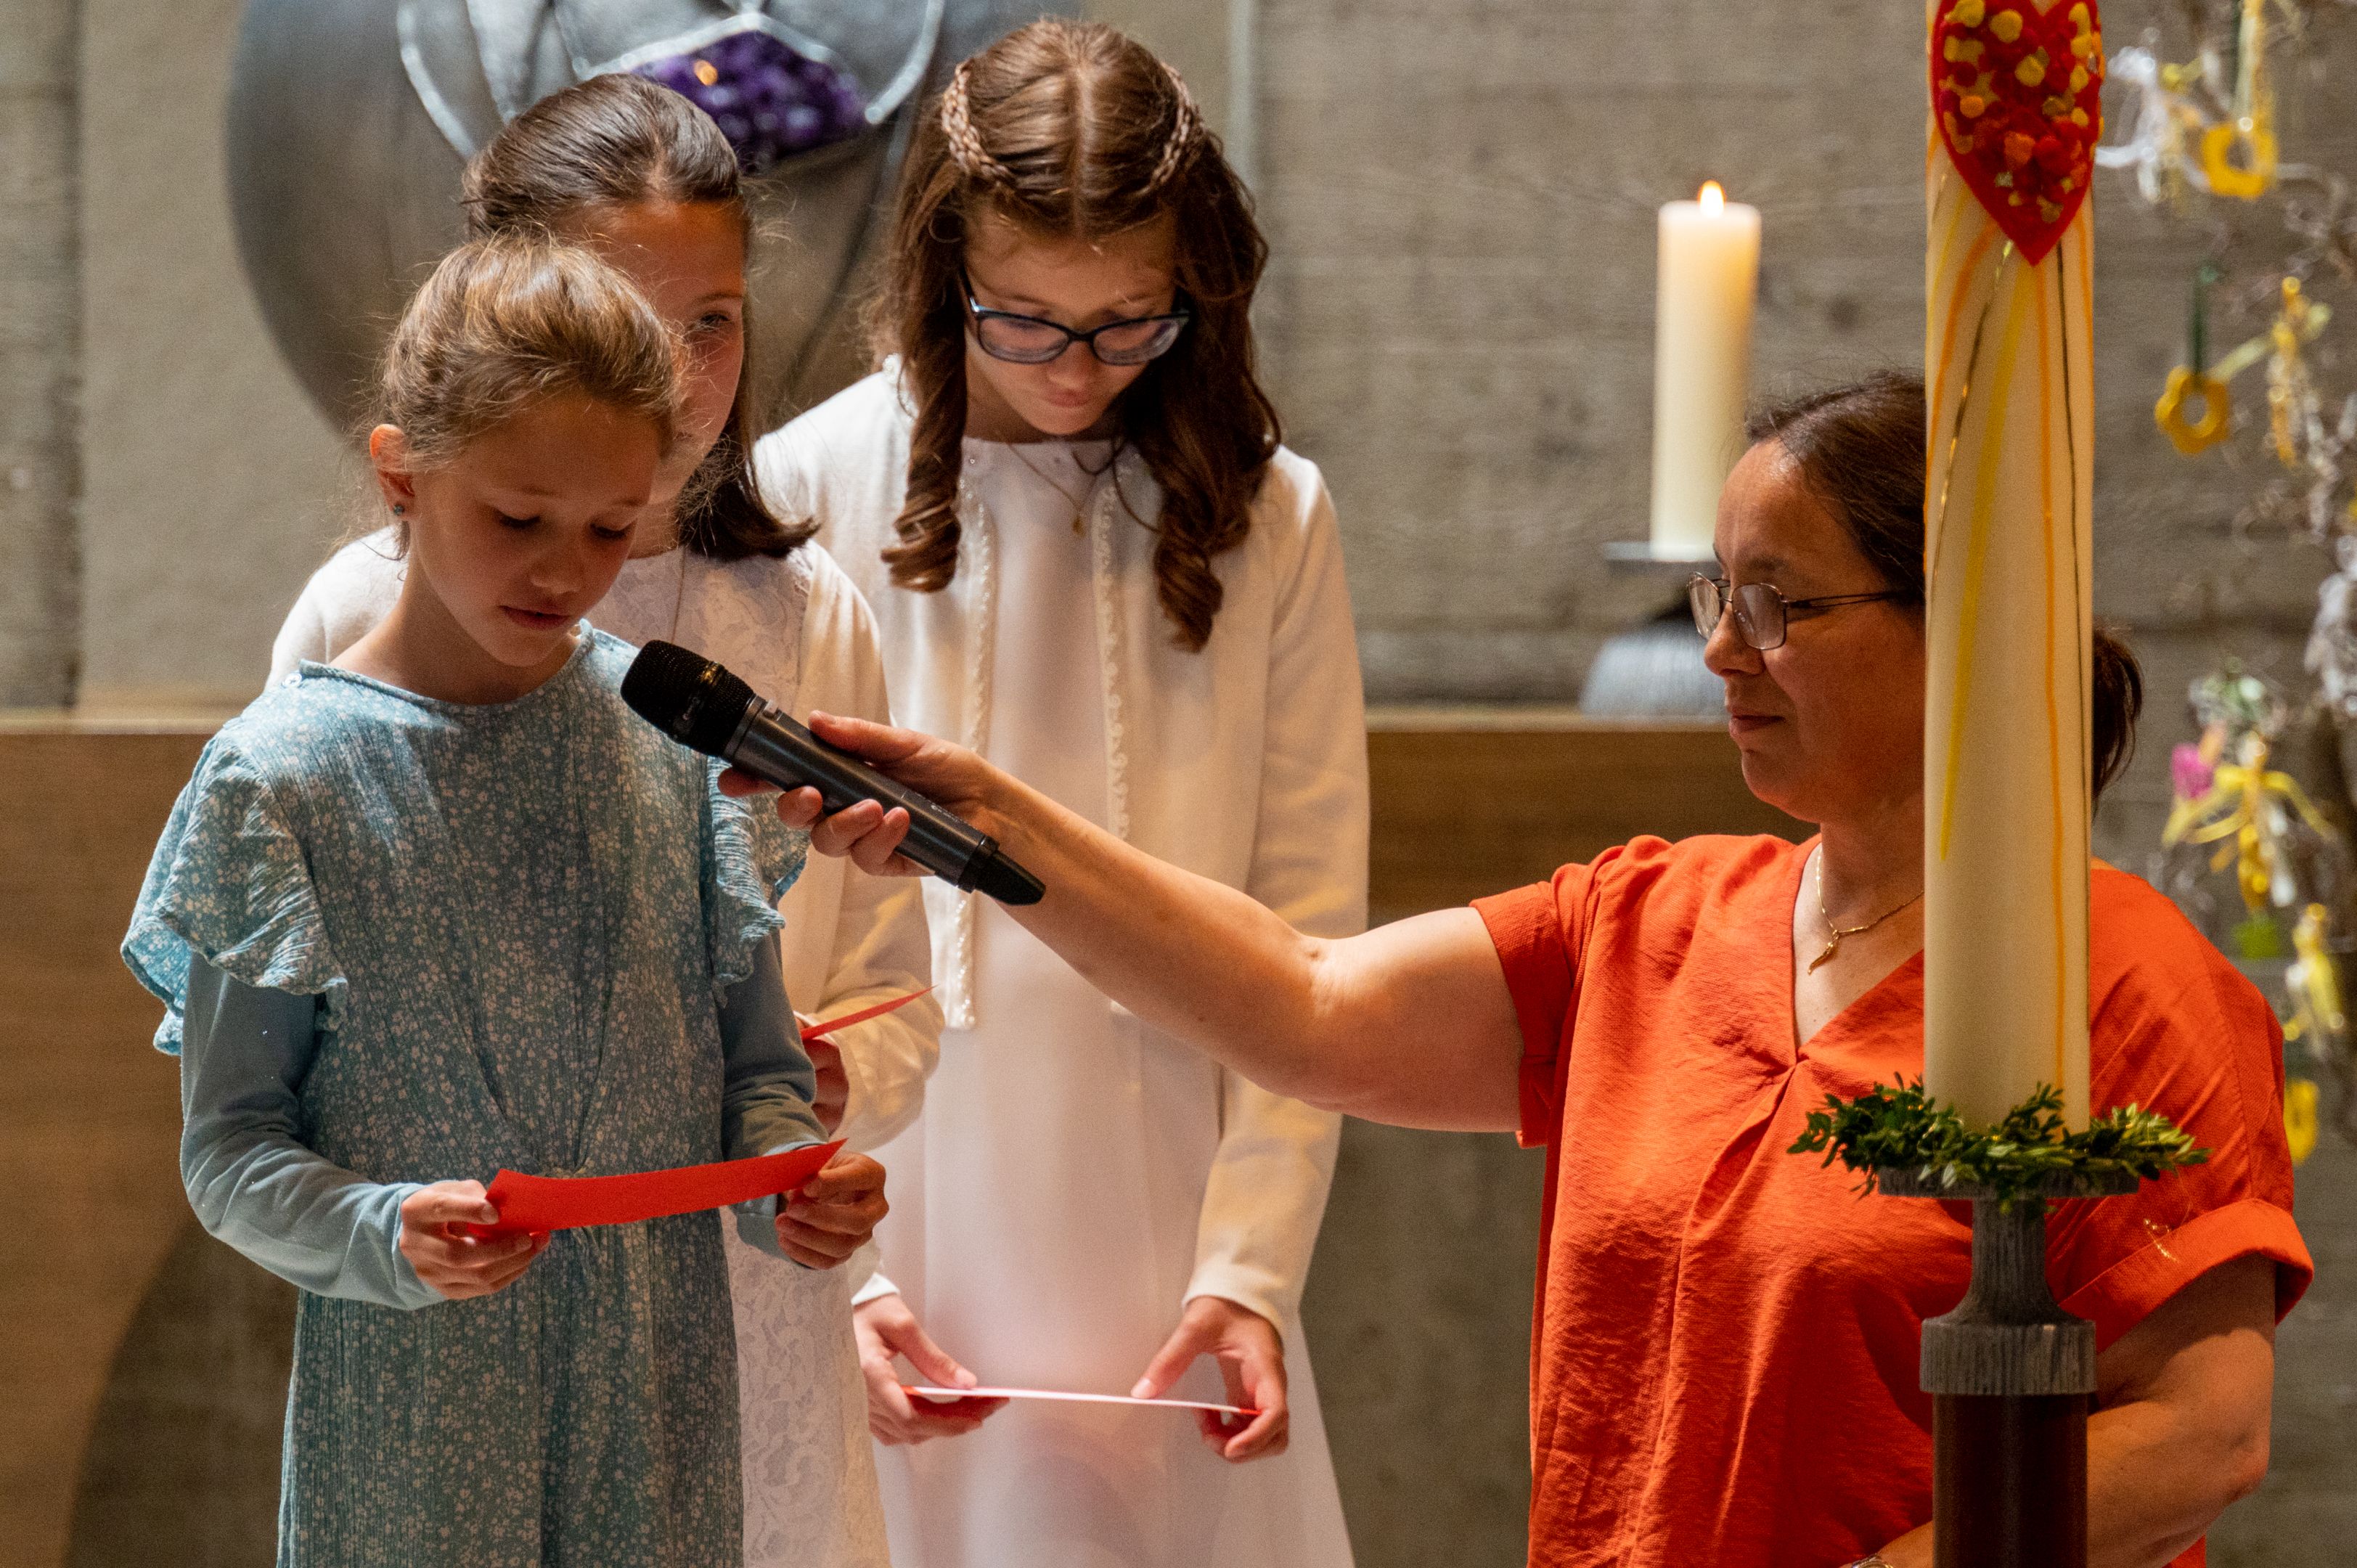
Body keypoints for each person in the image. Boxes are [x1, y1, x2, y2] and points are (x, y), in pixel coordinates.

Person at [761, 373, 2313, 1568]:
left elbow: (2200, 1437)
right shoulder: (1659, 923)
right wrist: (993, 819)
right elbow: (1305, 1004)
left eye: (1779, 605)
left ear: (1961, 625)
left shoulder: (2121, 982)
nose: (1723, 652)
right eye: (1717, 596)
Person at [126, 234, 889, 1568]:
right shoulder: (284, 780)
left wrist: (795, 1187)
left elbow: (759, 1078)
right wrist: (378, 1232)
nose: (564, 572)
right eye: (517, 520)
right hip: (411, 1425)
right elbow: (232, 1154)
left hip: (656, 1410)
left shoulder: (670, 749)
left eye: (611, 529)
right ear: (401, 477)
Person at [265, 75, 939, 1568]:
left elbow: (896, 986)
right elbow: (274, 1049)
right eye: (631, 315)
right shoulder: (355, 620)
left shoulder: (801, 615)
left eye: (715, 321)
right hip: (464, 1305)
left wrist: (826, 1089)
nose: (681, 376)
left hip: (746, 1302)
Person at [752, 20, 1362, 1566]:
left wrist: (1250, 1271)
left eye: (1126, 323)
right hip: (882, 1187)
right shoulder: (805, 490)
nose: (1077, 371)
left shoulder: (1269, 519)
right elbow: (753, 931)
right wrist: (835, 1277)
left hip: (1165, 1203)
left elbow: (1309, 931)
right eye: (1021, 322)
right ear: (940, 271)